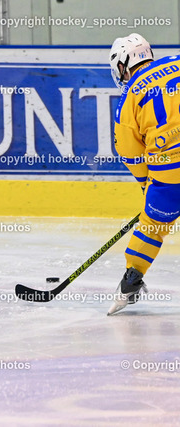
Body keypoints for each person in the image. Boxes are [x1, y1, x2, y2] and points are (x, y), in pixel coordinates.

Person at [109, 33, 179, 314]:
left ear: (123, 64)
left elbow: (129, 152)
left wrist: (145, 183)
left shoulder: (129, 97)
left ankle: (131, 281)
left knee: (152, 226)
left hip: (169, 172)